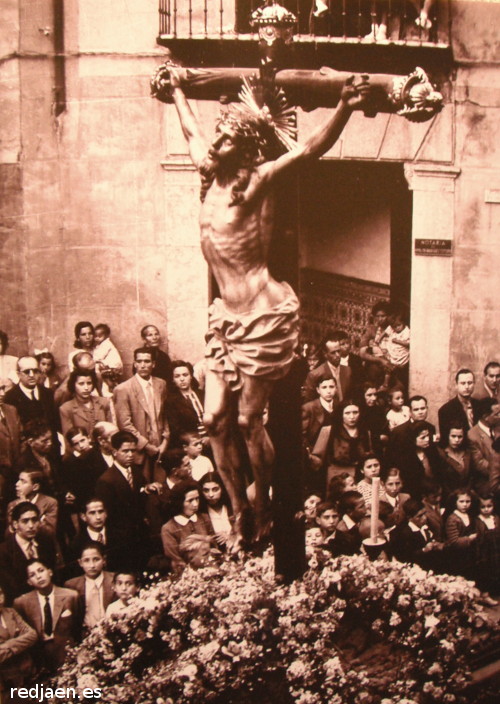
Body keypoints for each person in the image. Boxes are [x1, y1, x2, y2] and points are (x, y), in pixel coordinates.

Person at [164, 64, 370, 540]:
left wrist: (343, 107)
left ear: (248, 145)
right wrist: (177, 91)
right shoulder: (209, 170)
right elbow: (190, 128)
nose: (216, 145)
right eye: (218, 138)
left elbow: (308, 149)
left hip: (262, 313)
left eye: (227, 139)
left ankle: (265, 503)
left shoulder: (258, 180)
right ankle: (239, 508)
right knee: (214, 420)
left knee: (246, 419)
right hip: (225, 319)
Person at [95, 432, 161, 565]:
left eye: (133, 451)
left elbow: (138, 498)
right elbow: (109, 514)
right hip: (121, 540)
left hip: (140, 534)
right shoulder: (106, 480)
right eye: (125, 451)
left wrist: (147, 489)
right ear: (114, 452)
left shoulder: (136, 471)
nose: (130, 455)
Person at [113, 347, 169, 482]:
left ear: (153, 364)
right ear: (134, 364)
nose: (143, 365)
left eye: (147, 361)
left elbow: (165, 416)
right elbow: (125, 424)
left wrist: (165, 441)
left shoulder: (161, 384)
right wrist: (146, 446)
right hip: (139, 452)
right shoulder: (123, 389)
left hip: (160, 450)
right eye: (139, 361)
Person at [13, 559, 79, 673]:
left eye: (41, 571)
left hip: (66, 652)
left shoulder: (70, 596)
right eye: (32, 575)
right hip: (40, 656)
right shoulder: (21, 603)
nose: (39, 576)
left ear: (50, 572)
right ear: (29, 581)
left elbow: (77, 624)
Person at [0, 503, 57, 599]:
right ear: (15, 524)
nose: (31, 526)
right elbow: (9, 587)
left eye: (34, 520)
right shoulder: (3, 551)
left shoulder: (46, 543)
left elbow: (54, 573)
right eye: (25, 521)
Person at [160, 480, 215, 573]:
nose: (195, 504)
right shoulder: (168, 529)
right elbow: (176, 561)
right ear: (179, 502)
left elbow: (213, 546)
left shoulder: (204, 518)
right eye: (190, 500)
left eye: (197, 499)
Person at [4, 357, 60, 440]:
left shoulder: (47, 393)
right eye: (27, 372)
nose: (31, 375)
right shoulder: (10, 397)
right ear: (18, 374)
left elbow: (53, 424)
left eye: (35, 371)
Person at [64, 542, 115, 631]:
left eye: (96, 559)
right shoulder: (71, 585)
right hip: (85, 633)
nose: (92, 565)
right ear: (80, 563)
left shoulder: (114, 580)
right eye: (86, 560)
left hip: (112, 630)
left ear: (104, 560)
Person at [0, 581, 37, 692]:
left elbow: (32, 635)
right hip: (6, 681)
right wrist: (20, 644)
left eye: (0, 593)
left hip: (29, 671)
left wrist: (7, 645)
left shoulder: (10, 612)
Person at [326, 399, 370, 484]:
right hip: (337, 476)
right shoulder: (331, 431)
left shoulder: (365, 433)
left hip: (360, 476)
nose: (352, 417)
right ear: (341, 414)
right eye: (347, 413)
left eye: (355, 412)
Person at [394, 421, 442, 499]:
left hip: (433, 494)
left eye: (427, 436)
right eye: (422, 437)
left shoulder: (432, 452)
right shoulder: (405, 457)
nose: (427, 439)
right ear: (413, 439)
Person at [59, 370, 112, 439]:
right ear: (73, 385)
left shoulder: (104, 402)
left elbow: (112, 431)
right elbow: (69, 440)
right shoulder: (66, 409)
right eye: (81, 384)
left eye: (89, 383)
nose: (86, 388)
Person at [303, 332, 353, 403]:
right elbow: (309, 402)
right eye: (333, 353)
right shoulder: (315, 375)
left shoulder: (347, 370)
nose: (338, 355)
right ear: (325, 354)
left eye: (339, 351)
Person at [165, 360, 207, 446]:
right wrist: (197, 440)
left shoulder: (202, 394)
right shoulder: (171, 401)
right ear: (173, 380)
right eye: (177, 376)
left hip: (211, 439)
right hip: (190, 444)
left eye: (185, 375)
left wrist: (209, 437)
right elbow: (176, 430)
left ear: (191, 376)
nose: (182, 379)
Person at [7, 470, 58, 538]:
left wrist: (28, 508)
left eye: (23, 481)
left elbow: (50, 533)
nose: (17, 484)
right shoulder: (13, 504)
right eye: (18, 480)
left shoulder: (50, 503)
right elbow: (7, 535)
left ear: (35, 487)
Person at [438, 368, 482, 439]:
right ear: (456, 385)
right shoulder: (446, 410)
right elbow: (445, 439)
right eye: (463, 383)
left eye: (470, 383)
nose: (467, 387)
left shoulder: (479, 405)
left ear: (474, 384)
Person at [467, 402, 500, 494]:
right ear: (485, 416)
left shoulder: (498, 428)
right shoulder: (472, 435)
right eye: (497, 414)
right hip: (486, 484)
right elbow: (480, 464)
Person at [444, 489, 477, 580]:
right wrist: (470, 538)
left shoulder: (469, 516)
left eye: (468, 501)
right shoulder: (453, 519)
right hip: (456, 557)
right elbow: (454, 541)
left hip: (468, 556)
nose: (465, 504)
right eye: (461, 501)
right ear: (455, 502)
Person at [359, 301, 392, 388]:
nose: (380, 319)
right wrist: (380, 360)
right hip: (375, 365)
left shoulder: (395, 329)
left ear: (388, 316)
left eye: (383, 316)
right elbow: (362, 354)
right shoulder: (371, 330)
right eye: (377, 316)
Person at [199, 472, 235, 550]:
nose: (211, 495)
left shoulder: (232, 507)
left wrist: (231, 536)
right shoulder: (201, 515)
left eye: (215, 489)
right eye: (206, 490)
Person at [0, 377, 21, 506]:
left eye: (3, 388)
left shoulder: (11, 410)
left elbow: (20, 437)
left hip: (15, 473)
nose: (2, 393)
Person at [475, 493, 500, 598]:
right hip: (485, 551)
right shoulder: (478, 521)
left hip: (497, 549)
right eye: (483, 507)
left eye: (489, 506)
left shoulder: (496, 519)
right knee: (487, 570)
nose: (486, 509)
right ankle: (487, 593)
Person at [437, 424, 472, 497]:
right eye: (453, 436)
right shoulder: (442, 455)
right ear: (447, 436)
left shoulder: (468, 453)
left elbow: (472, 477)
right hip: (449, 496)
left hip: (468, 495)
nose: (456, 440)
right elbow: (442, 481)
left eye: (460, 437)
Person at [381, 311, 410, 390]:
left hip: (401, 357)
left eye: (399, 325)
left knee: (397, 371)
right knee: (388, 367)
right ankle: (386, 383)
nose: (397, 328)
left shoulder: (407, 331)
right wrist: (379, 338)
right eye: (394, 327)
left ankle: (390, 384)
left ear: (403, 323)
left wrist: (397, 341)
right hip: (392, 355)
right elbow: (386, 332)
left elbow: (408, 344)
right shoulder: (391, 328)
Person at [92, 324, 123, 397]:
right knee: (104, 381)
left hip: (113, 367)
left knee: (103, 377)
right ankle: (109, 389)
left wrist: (93, 359)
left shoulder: (106, 344)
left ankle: (109, 391)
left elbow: (99, 356)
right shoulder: (100, 345)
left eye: (100, 336)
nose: (97, 338)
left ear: (106, 336)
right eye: (95, 336)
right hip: (109, 367)